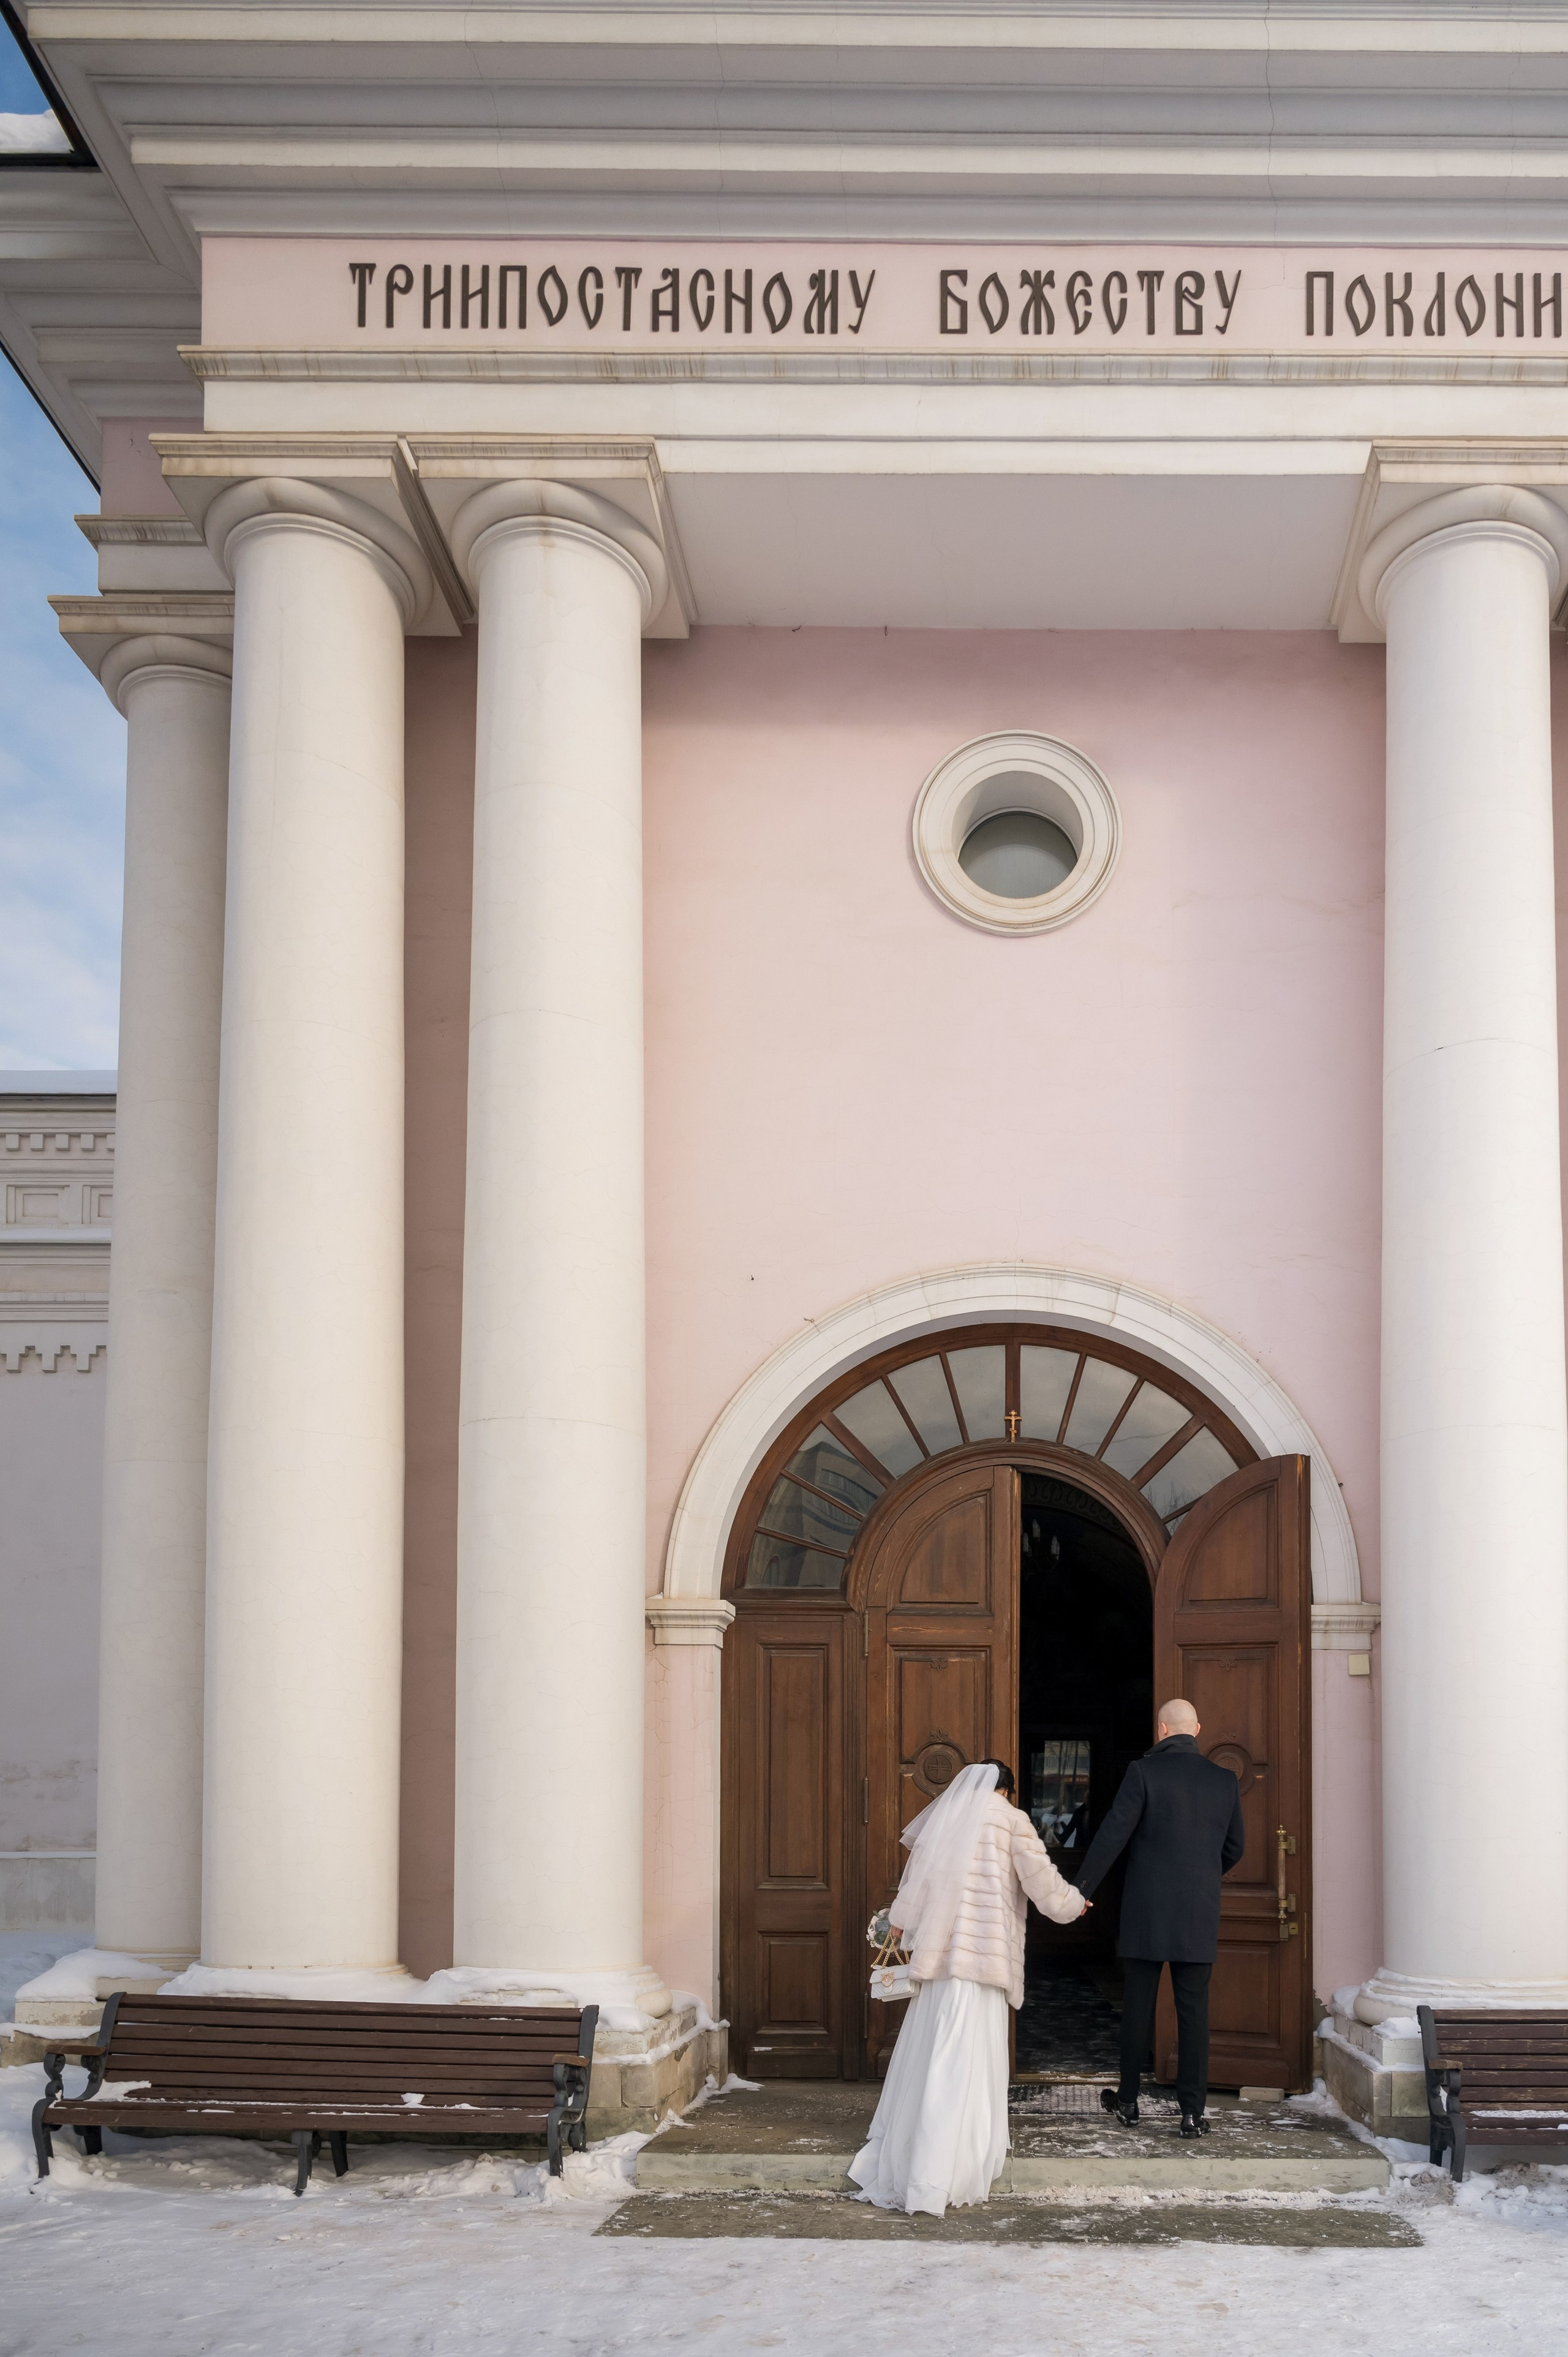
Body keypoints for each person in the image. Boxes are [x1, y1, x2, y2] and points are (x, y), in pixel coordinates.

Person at [850, 1757, 1088, 2217]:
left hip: (941, 1963)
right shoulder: (1011, 1821)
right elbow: (1044, 1888)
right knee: (967, 2062)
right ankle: (944, 2167)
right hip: (983, 1964)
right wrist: (1076, 1905)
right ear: (1007, 1791)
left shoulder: (950, 1819)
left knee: (932, 2058)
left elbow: (916, 1889)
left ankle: (914, 2158)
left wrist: (897, 1926)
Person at [1074, 1698, 1245, 2140]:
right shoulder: (1223, 1781)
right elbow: (1235, 1847)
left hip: (1147, 1911)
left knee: (1138, 2009)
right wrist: (1203, 1878)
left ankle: (1128, 2103)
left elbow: (1113, 1834)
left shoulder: (1144, 1773)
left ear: (1162, 1729)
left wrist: (1081, 1890)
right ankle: (1192, 2113)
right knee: (1193, 2016)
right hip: (1197, 1913)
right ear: (1198, 1729)